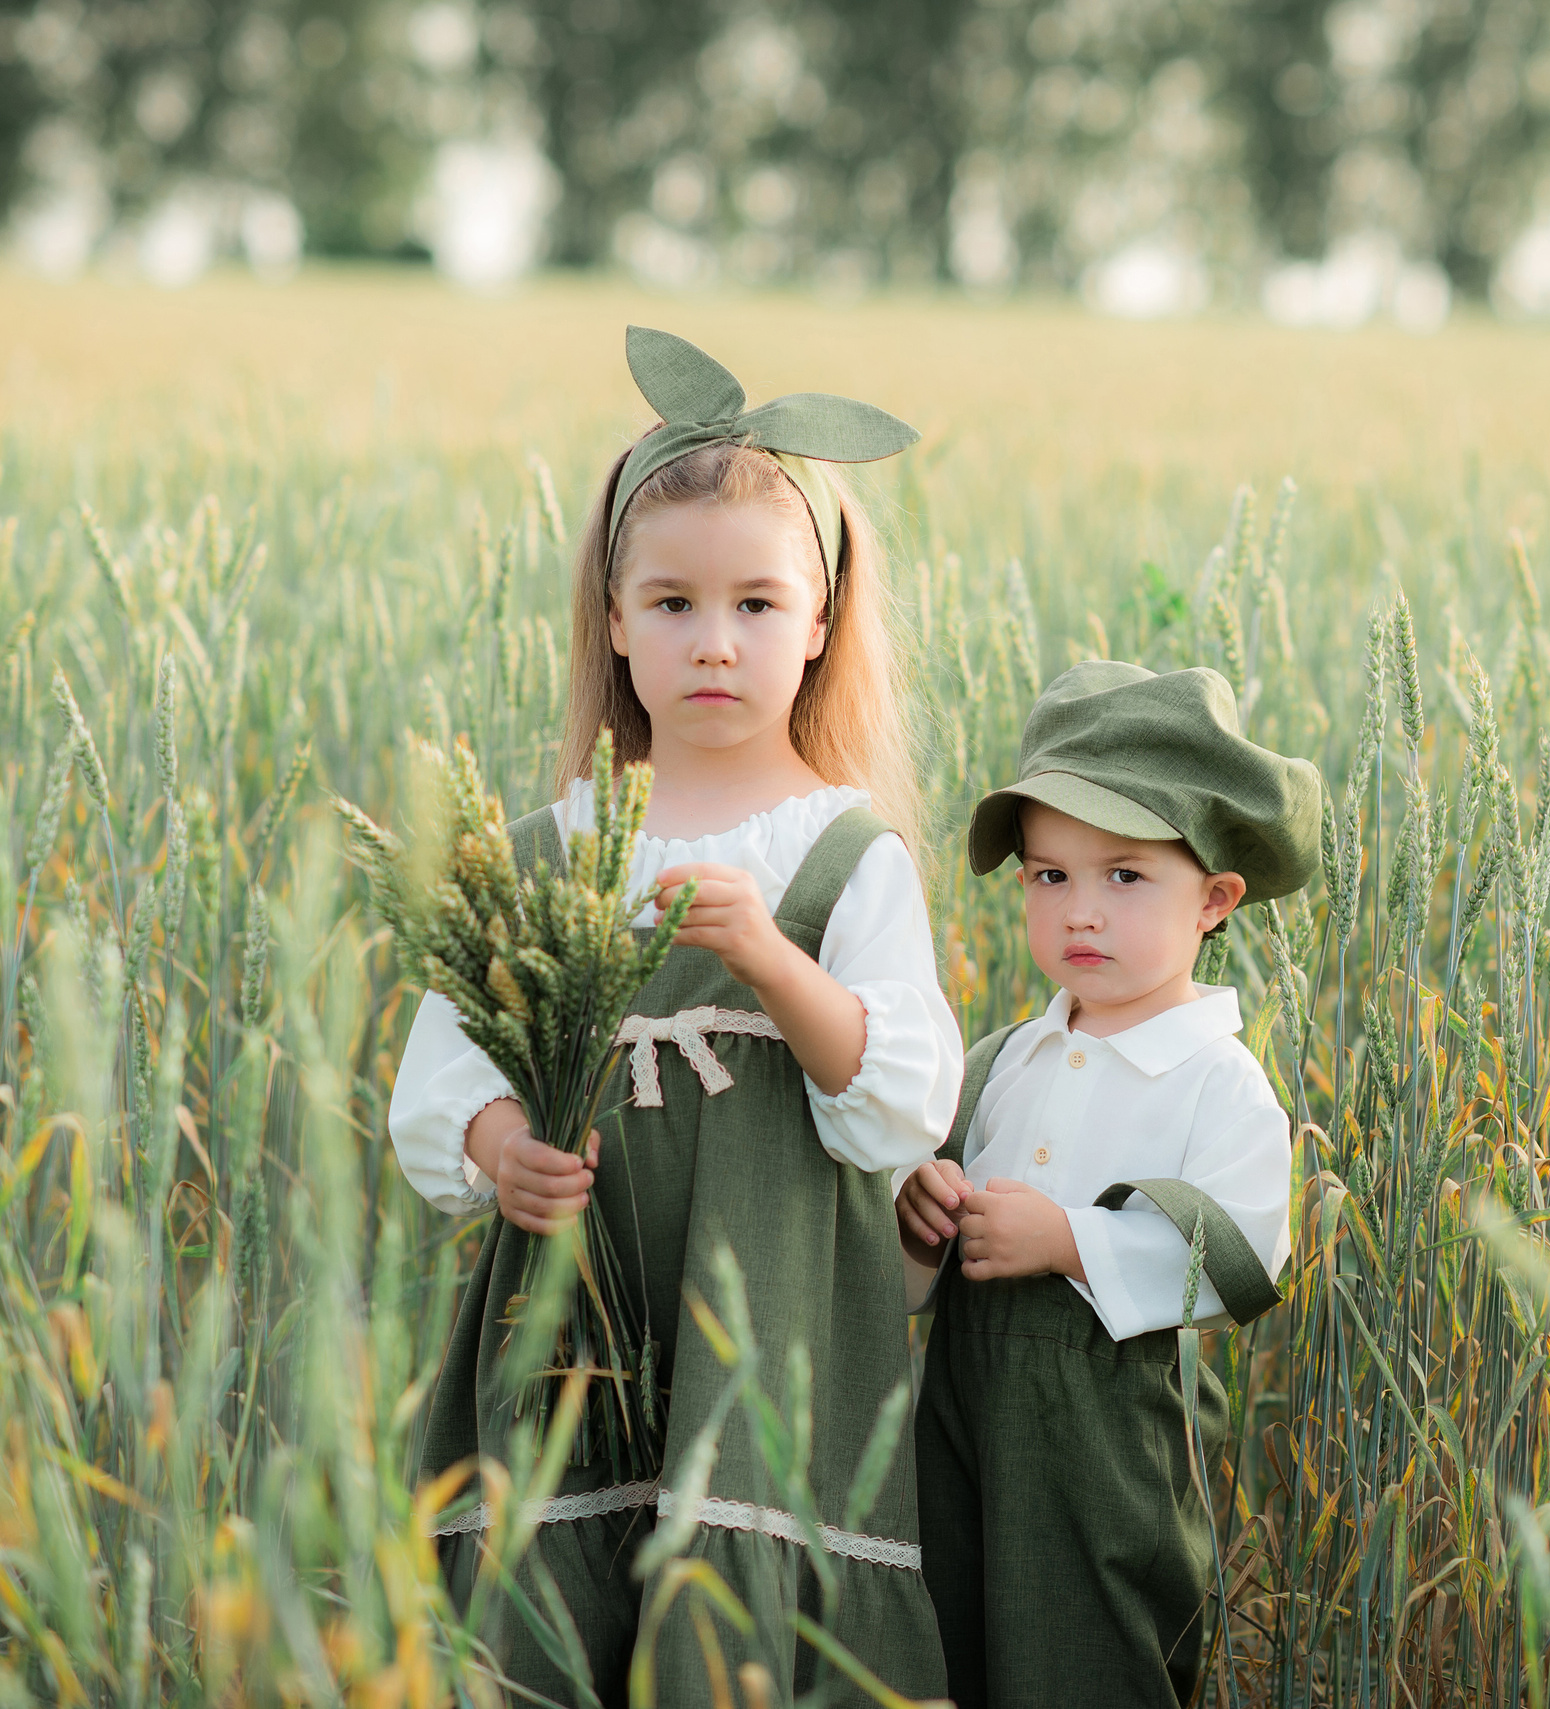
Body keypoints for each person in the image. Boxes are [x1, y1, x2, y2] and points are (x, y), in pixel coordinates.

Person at [388, 326, 955, 1706]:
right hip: (568, 1341)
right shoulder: (542, 853)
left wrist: (770, 959)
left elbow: (899, 1101)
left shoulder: (843, 857)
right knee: (555, 1612)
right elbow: (441, 1074)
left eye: (758, 603)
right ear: (614, 620)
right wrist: (503, 1147)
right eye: (673, 602)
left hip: (766, 1337)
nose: (714, 641)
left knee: (729, 1621)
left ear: (819, 623)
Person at [896, 659, 1320, 1707]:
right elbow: (908, 1273)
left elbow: (1243, 1254)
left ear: (1213, 899)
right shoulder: (1001, 1061)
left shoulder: (1215, 1078)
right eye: (1050, 876)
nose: (1080, 912)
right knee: (949, 1637)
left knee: (1089, 1654)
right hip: (962, 1420)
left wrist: (1066, 1241)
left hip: (1109, 1441)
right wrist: (920, 1220)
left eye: (1124, 876)